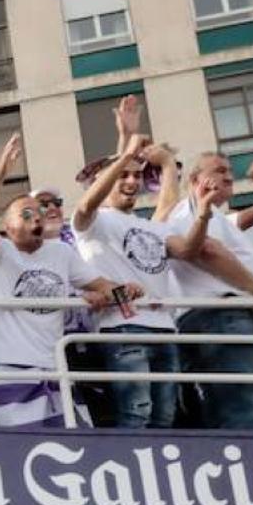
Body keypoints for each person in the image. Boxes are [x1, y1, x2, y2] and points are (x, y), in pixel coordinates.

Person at [0, 134, 128, 427]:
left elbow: (101, 285)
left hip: (56, 367)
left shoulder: (60, 252)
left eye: (41, 211)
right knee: (22, 452)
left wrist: (121, 291)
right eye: (26, 213)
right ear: (7, 227)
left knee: (76, 446)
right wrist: (0, 175)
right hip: (12, 369)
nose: (37, 216)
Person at [160, 154, 253, 430]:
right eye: (219, 170)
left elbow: (226, 259)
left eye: (230, 172)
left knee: (232, 411)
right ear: (195, 180)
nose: (228, 177)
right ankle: (250, 466)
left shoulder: (215, 216)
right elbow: (207, 251)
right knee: (241, 412)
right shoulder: (188, 211)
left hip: (218, 319)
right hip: (220, 319)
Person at [72, 132, 186, 428]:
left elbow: (171, 208)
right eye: (123, 175)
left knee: (165, 418)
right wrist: (125, 152)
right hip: (123, 327)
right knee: (136, 414)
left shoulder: (150, 226)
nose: (133, 182)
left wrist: (168, 165)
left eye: (137, 176)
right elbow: (86, 206)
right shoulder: (94, 222)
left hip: (165, 330)